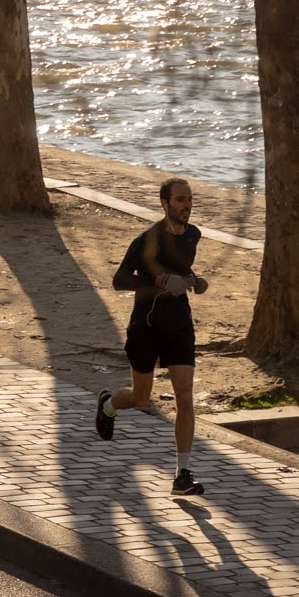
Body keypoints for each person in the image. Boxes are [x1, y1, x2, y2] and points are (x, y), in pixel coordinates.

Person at [95, 176, 210, 496]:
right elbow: (119, 281)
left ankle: (182, 474)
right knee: (141, 397)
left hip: (179, 325)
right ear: (164, 203)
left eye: (189, 199)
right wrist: (158, 283)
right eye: (179, 200)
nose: (186, 206)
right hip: (145, 326)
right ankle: (108, 404)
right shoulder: (147, 240)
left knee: (184, 398)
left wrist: (192, 280)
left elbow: (181, 270)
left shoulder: (194, 235)